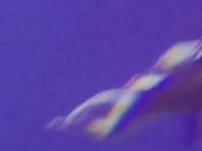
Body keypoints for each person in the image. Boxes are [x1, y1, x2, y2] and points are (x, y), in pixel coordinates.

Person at [51, 39, 202, 143]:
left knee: (109, 130)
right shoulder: (188, 56)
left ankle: (73, 122)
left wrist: (191, 125)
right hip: (147, 94)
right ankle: (71, 123)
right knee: (109, 129)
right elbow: (159, 75)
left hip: (165, 102)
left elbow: (193, 104)